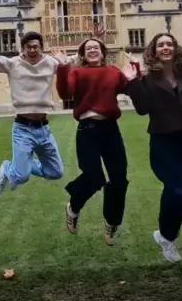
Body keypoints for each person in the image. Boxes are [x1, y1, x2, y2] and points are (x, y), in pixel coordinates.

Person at [122, 33, 182, 263]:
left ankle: (165, 231)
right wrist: (132, 82)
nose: (166, 48)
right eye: (161, 44)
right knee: (179, 190)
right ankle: (168, 236)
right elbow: (142, 109)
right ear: (154, 51)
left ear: (175, 48)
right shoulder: (147, 79)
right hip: (163, 142)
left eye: (169, 44)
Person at [0, 13, 65, 194]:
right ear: (23, 49)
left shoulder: (51, 63)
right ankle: (9, 168)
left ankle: (19, 167)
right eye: (28, 47)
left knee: (55, 172)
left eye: (36, 47)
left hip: (44, 129)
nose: (32, 50)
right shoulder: (13, 64)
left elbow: (79, 60)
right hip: (23, 128)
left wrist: (96, 41)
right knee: (21, 177)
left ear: (41, 49)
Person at [52, 29, 129, 246]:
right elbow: (65, 93)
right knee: (94, 177)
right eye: (88, 49)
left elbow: (131, 88)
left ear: (103, 53)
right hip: (87, 128)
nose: (93, 50)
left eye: (96, 47)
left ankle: (112, 223)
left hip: (110, 129)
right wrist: (62, 67)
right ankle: (73, 207)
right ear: (83, 55)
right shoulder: (77, 73)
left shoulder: (114, 72)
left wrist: (136, 73)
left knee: (119, 179)